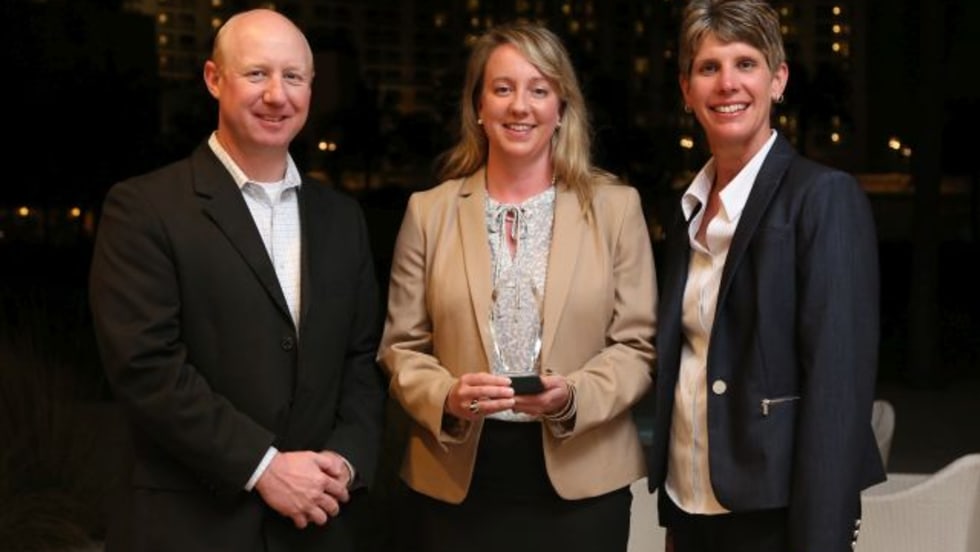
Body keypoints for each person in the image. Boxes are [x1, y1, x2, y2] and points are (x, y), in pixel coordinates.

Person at [88, 9, 386, 551]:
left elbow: (362, 360)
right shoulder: (144, 208)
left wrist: (344, 462)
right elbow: (145, 366)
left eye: (292, 77)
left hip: (317, 525)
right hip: (189, 527)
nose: (277, 95)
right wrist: (262, 466)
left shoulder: (343, 219)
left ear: (311, 87)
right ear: (213, 78)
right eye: (256, 74)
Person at [377, 21, 657, 552]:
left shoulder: (617, 209)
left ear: (562, 108)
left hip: (584, 484)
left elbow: (637, 347)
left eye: (539, 90)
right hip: (454, 483)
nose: (519, 106)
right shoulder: (428, 212)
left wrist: (572, 396)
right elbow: (401, 348)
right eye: (502, 89)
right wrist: (447, 396)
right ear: (479, 107)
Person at [644, 1, 885, 551]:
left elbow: (837, 391)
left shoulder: (822, 197)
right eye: (709, 67)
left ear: (778, 81)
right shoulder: (684, 210)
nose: (727, 83)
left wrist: (821, 539)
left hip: (777, 516)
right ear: (686, 89)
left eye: (746, 64)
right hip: (690, 506)